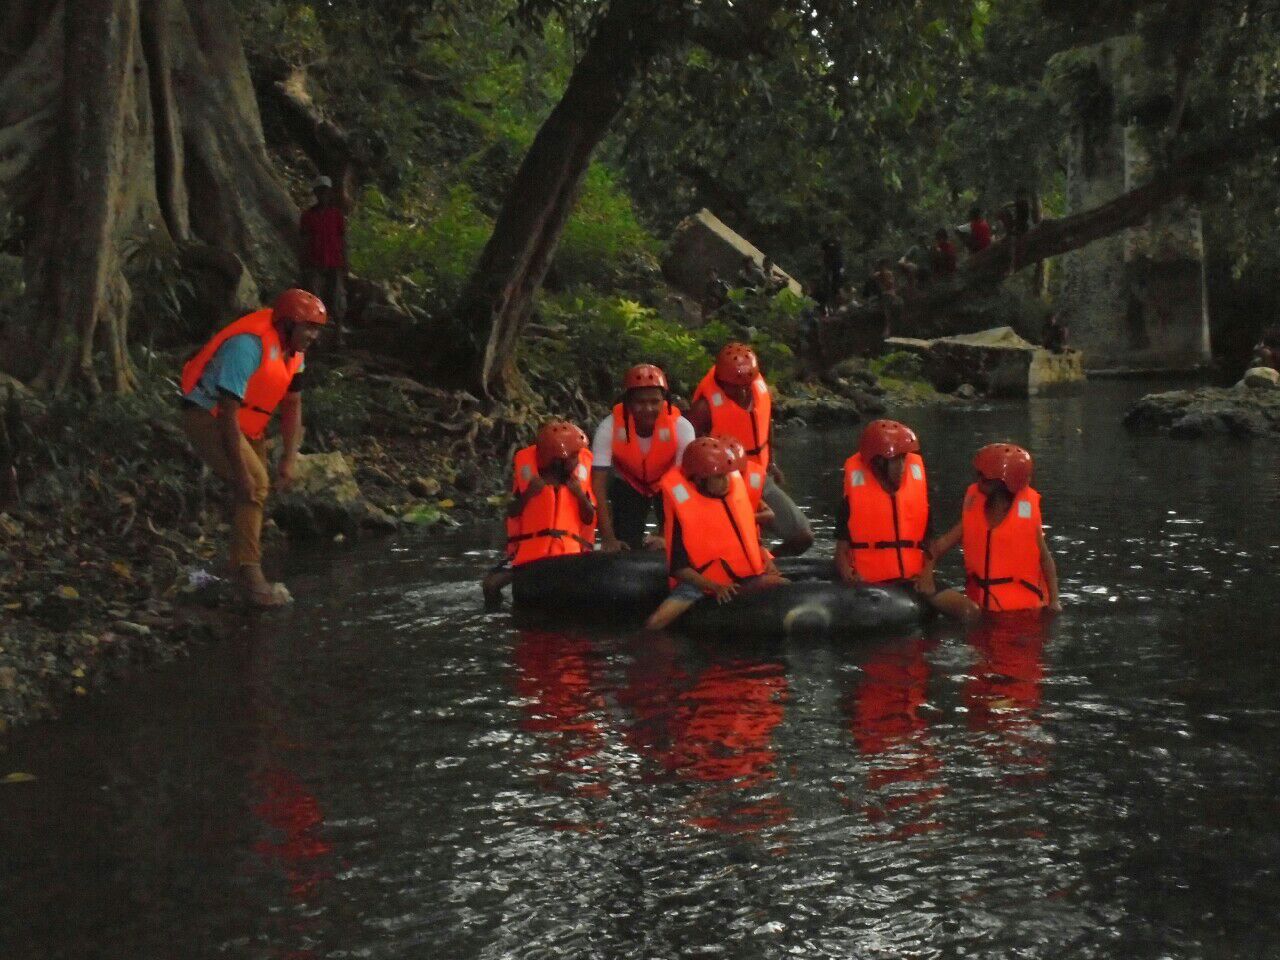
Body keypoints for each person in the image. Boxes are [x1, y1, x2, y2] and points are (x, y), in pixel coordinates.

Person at [180, 289, 327, 607]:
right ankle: (251, 579)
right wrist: (241, 472)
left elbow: (293, 405)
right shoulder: (247, 346)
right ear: (288, 325)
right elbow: (227, 413)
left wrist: (289, 458)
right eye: (308, 328)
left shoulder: (295, 353)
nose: (313, 336)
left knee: (255, 490)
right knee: (253, 484)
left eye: (317, 329)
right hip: (208, 417)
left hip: (247, 427)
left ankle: (237, 570)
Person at [834, 420, 972, 621]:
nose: (901, 467)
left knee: (970, 612)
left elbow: (930, 544)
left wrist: (927, 574)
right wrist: (848, 574)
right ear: (878, 462)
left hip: (912, 579)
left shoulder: (915, 489)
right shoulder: (853, 497)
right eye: (895, 461)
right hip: (872, 584)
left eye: (903, 459)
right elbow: (840, 553)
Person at [645, 437, 786, 630]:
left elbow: (752, 540)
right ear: (699, 480)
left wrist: (765, 560)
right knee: (655, 624)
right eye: (718, 477)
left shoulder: (735, 496)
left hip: (745, 574)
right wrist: (714, 586)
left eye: (726, 475)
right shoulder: (684, 512)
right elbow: (679, 569)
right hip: (700, 583)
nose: (726, 481)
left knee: (784, 585)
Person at [689, 343, 814, 556]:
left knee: (803, 536)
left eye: (747, 385)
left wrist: (772, 462)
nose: (742, 391)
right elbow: (692, 455)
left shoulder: (758, 388)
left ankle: (769, 561)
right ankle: (748, 561)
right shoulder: (704, 407)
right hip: (722, 483)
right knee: (742, 542)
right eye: (735, 386)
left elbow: (765, 422)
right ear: (721, 381)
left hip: (759, 475)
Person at [923, 443, 1062, 620]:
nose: (978, 480)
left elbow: (1045, 559)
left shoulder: (1026, 517)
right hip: (983, 612)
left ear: (1005, 483)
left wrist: (1055, 601)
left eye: (984, 477)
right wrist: (927, 572)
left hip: (1025, 615)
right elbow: (940, 545)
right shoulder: (974, 513)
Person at [482, 420, 597, 603]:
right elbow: (513, 512)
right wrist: (529, 494)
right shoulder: (531, 478)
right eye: (574, 456)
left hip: (569, 557)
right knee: (490, 586)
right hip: (532, 557)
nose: (578, 459)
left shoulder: (577, 482)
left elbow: (589, 518)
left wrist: (579, 495)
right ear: (557, 460)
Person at [591, 364, 695, 552]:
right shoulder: (609, 427)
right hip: (629, 483)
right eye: (640, 402)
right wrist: (607, 538)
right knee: (626, 540)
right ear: (628, 402)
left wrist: (665, 535)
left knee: (676, 540)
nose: (648, 409)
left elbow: (685, 484)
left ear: (664, 401)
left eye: (655, 402)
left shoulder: (682, 428)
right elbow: (598, 486)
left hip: (669, 486)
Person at [299, 176, 347, 344]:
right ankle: (315, 336)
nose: (323, 195)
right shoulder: (308, 216)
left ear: (330, 193)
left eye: (326, 192)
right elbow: (304, 240)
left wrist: (345, 262)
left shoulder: (336, 215)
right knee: (314, 299)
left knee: (337, 298)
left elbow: (342, 239)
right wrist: (303, 263)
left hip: (334, 261)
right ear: (316, 193)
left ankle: (338, 334)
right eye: (320, 192)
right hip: (314, 261)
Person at [820, 236, 845, 306]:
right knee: (827, 282)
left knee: (837, 285)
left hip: (836, 267)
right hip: (829, 265)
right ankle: (827, 301)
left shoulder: (838, 249)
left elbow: (840, 260)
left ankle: (838, 301)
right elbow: (822, 252)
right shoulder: (827, 242)